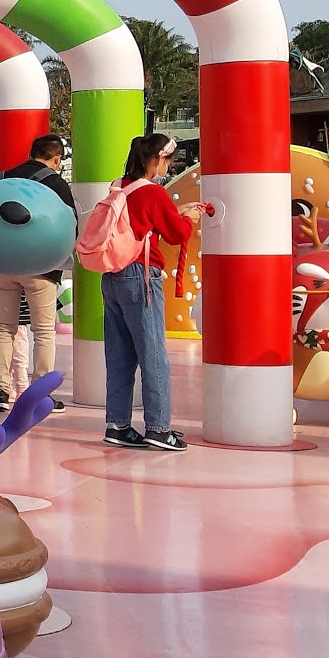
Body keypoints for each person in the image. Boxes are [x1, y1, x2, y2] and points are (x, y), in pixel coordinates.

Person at [102, 132, 205, 452]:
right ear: (158, 158)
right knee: (153, 354)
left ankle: (117, 424)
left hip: (112, 274)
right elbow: (175, 234)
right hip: (141, 275)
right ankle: (159, 428)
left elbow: (143, 221)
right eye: (169, 160)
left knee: (119, 354)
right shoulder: (154, 192)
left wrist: (177, 211)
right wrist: (189, 219)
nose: (170, 166)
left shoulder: (119, 186)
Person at [0, 134, 76, 414]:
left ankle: (0, 391)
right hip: (41, 267)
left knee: (4, 328)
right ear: (56, 159)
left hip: (4, 264)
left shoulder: (4, 179)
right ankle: (40, 393)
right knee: (43, 331)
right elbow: (69, 224)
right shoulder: (55, 184)